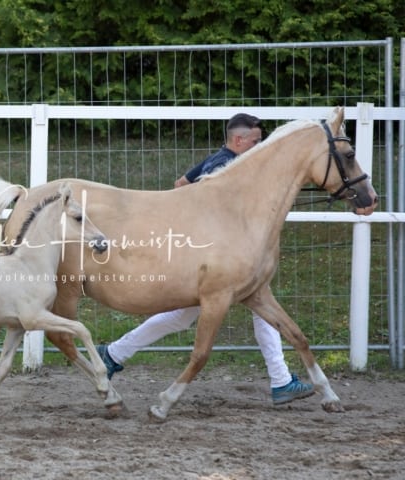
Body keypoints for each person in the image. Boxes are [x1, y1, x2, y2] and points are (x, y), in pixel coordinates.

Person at [97, 113, 315, 406]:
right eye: (255, 142)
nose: (260, 147)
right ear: (238, 140)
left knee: (193, 316)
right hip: (214, 257)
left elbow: (180, 184)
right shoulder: (225, 167)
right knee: (210, 313)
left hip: (212, 256)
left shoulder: (220, 161)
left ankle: (113, 354)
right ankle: (281, 381)